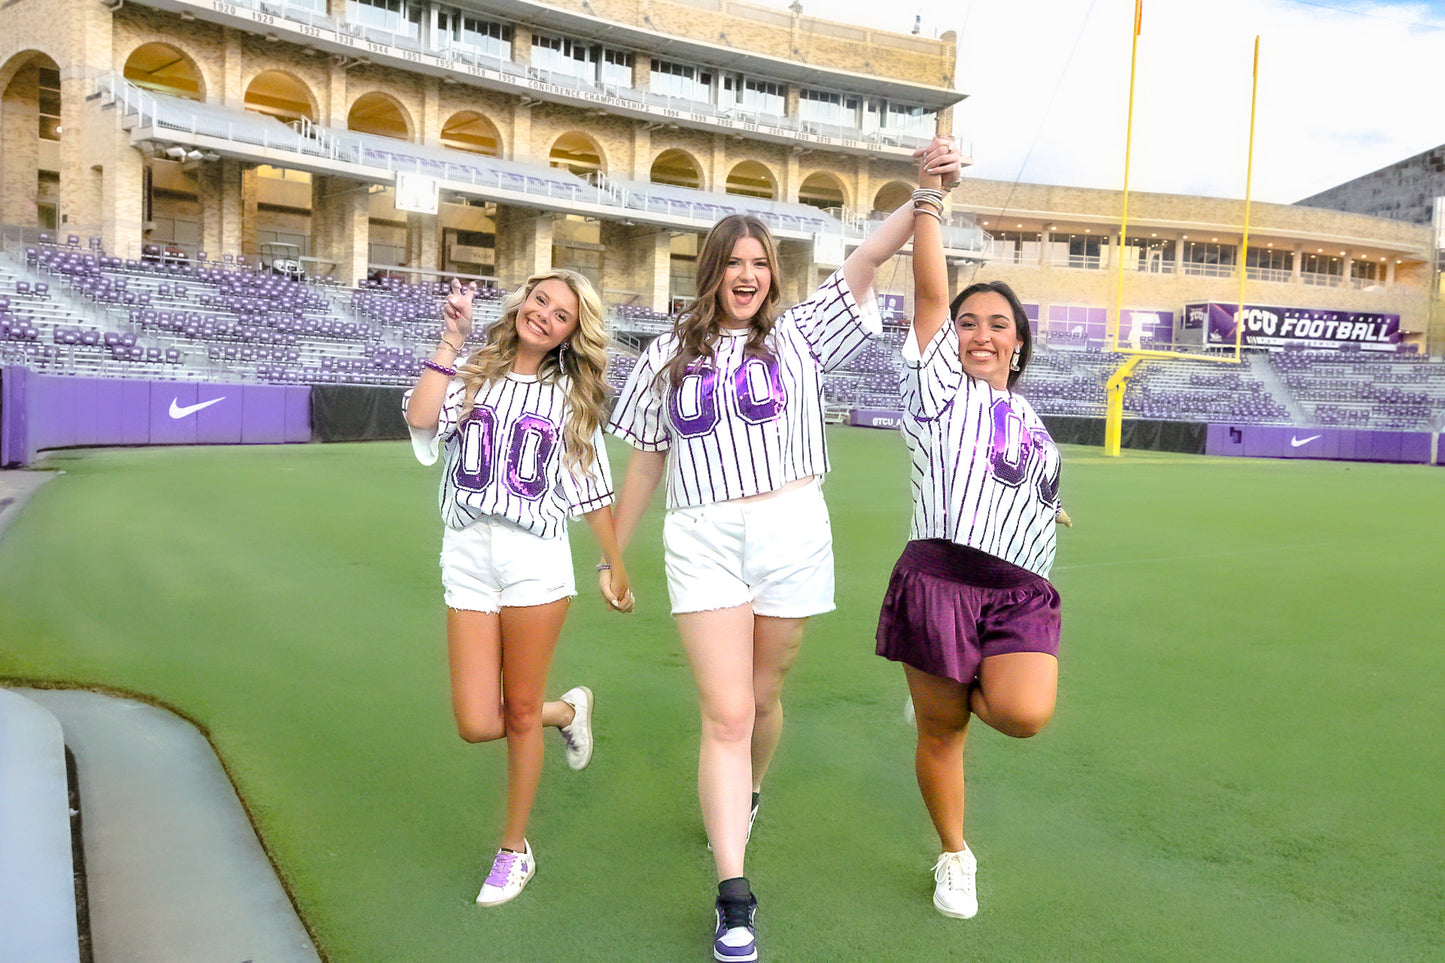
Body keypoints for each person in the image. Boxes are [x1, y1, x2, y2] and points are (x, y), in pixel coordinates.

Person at [607, 136, 963, 963]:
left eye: (758, 261)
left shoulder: (802, 334)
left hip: (792, 528)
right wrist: (613, 552)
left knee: (762, 699)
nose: (746, 274)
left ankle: (751, 792)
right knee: (725, 712)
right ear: (710, 270)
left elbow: (873, 257)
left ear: (771, 271)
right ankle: (734, 896)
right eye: (732, 261)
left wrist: (925, 195)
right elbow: (647, 457)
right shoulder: (664, 353)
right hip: (701, 534)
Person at [875, 151, 1070, 921]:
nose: (980, 334)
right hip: (939, 579)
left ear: (1018, 341)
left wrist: (1050, 508)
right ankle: (955, 853)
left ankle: (943, 700)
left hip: (1020, 587)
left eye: (998, 324)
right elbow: (927, 289)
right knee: (943, 734)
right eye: (967, 322)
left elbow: (1023, 482)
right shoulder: (934, 387)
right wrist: (929, 199)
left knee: (1024, 714)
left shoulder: (1033, 421)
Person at [403, 272, 634, 907]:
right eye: (541, 301)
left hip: (535, 563)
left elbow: (593, 493)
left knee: (520, 709)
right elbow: (422, 416)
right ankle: (570, 711)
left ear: (569, 334)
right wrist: (450, 340)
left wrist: (613, 565)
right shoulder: (475, 368)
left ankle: (513, 850)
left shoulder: (572, 397)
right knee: (478, 722)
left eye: (562, 315)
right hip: (468, 558)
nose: (545, 316)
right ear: (522, 303)